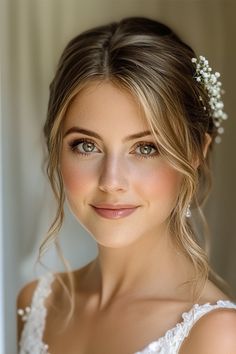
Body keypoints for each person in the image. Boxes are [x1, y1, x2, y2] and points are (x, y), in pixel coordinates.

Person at [16, 16, 236, 354]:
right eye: (86, 145)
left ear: (196, 153)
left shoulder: (217, 336)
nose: (111, 181)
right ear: (56, 147)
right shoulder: (37, 305)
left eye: (146, 148)